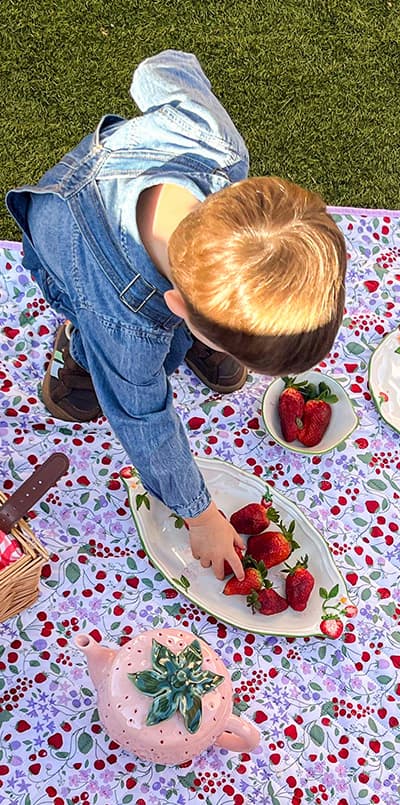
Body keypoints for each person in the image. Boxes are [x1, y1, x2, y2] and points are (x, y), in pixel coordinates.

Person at [6, 50, 346, 582]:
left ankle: (208, 335)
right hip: (74, 256)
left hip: (140, 245)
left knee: (175, 339)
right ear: (178, 307)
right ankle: (79, 349)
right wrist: (200, 512)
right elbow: (144, 420)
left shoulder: (216, 141)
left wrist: (155, 102)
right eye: (232, 345)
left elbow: (159, 69)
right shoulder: (129, 326)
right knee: (109, 354)